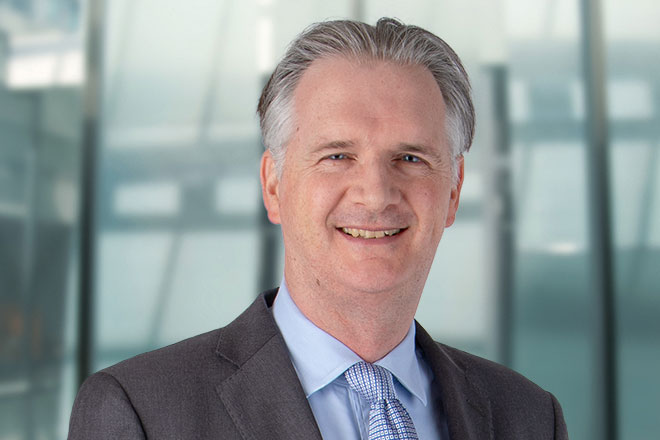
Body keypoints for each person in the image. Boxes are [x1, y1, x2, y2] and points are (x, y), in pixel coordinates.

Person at [68, 18, 569, 440]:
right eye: (337, 156)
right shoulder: (141, 413)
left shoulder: (529, 418)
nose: (375, 194)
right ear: (274, 185)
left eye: (410, 158)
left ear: (454, 191)